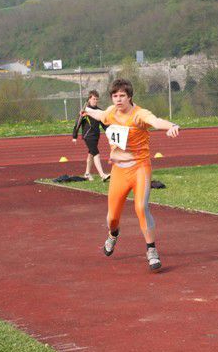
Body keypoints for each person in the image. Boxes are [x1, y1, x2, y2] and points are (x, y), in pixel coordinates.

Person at [82, 78, 180, 271]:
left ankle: (151, 250)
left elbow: (155, 121)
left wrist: (172, 126)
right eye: (115, 96)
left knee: (141, 207)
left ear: (130, 97)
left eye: (122, 96)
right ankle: (113, 234)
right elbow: (100, 114)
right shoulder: (110, 112)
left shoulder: (139, 114)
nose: (118, 100)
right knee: (112, 218)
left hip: (140, 168)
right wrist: (87, 110)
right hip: (119, 170)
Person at [72, 90, 110, 181]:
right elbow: (78, 123)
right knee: (96, 153)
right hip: (88, 136)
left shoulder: (99, 111)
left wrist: (109, 132)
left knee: (91, 154)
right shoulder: (85, 111)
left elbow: (104, 124)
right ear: (89, 99)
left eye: (97, 99)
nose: (95, 101)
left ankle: (87, 173)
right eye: (93, 99)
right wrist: (74, 136)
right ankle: (102, 175)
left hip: (96, 136)